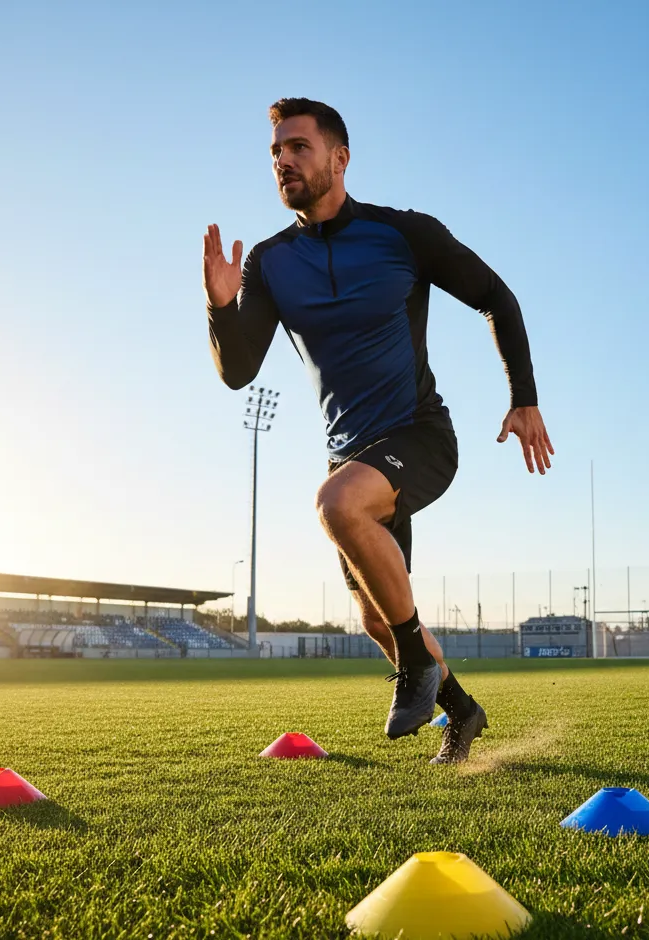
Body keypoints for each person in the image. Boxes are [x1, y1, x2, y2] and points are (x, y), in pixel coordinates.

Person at [203, 98, 553, 763]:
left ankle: (418, 667)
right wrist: (220, 306)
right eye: (275, 152)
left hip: (419, 435)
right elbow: (238, 370)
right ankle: (462, 711)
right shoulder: (270, 263)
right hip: (350, 455)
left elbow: (496, 298)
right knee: (375, 617)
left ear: (339, 158)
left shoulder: (403, 234)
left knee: (337, 504)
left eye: (298, 148)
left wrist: (525, 400)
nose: (283, 162)